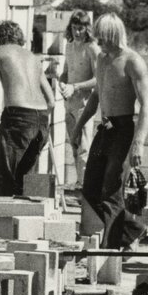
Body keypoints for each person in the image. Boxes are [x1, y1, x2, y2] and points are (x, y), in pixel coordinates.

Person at [69, 12, 148, 250]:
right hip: (104, 129)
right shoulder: (103, 60)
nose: (98, 42)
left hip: (123, 129)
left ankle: (110, 249)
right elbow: (97, 94)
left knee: (111, 189)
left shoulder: (132, 61)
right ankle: (133, 230)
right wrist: (77, 127)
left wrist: (139, 142)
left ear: (113, 35)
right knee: (91, 189)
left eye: (102, 37)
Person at [0, 20, 56, 197]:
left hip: (18, 118)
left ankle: (4, 225)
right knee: (27, 184)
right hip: (41, 120)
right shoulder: (33, 58)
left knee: (5, 181)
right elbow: (51, 101)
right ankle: (24, 224)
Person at [57, 10, 100, 184]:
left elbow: (98, 79)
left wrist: (75, 87)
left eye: (81, 29)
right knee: (74, 146)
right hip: (70, 103)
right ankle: (80, 183)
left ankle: (86, 187)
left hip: (85, 104)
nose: (77, 32)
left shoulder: (92, 48)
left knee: (85, 147)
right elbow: (66, 72)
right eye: (74, 28)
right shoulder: (69, 45)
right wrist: (62, 83)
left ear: (87, 29)